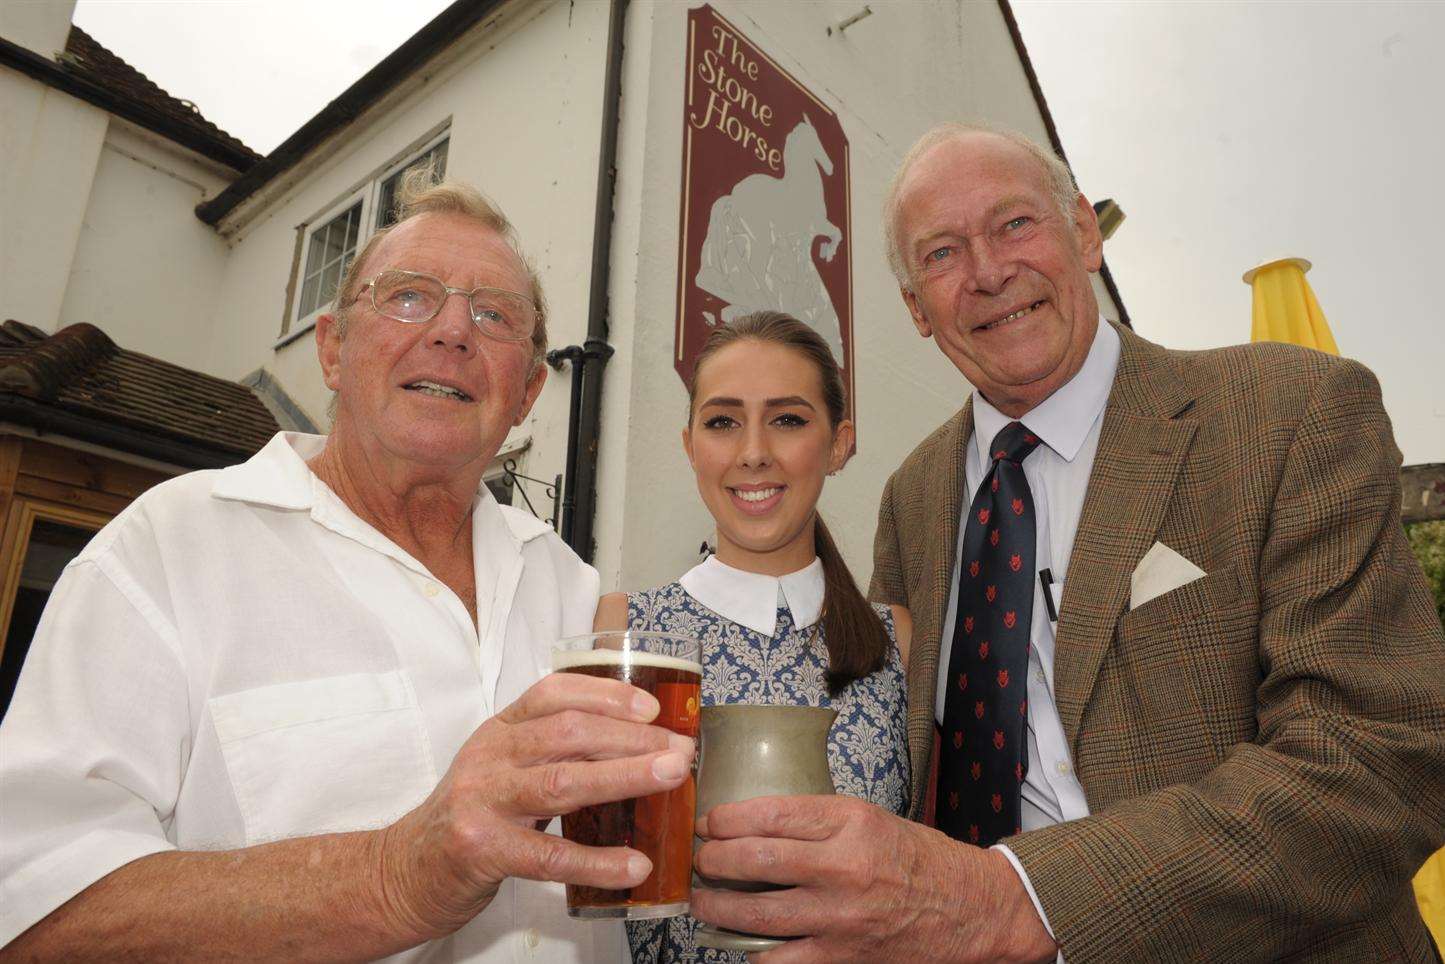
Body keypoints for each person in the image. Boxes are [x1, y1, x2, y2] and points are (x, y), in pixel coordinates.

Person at [689, 124, 1445, 962]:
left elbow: (1374, 757)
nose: (986, 273)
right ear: (914, 308)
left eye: (1014, 224)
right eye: (940, 254)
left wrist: (1015, 901)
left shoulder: (1286, 412)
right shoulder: (913, 497)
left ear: (1083, 232)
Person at [0, 175, 695, 961]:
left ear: (528, 390)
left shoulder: (566, 582)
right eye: (408, 296)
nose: (453, 332)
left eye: (494, 314)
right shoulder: (168, 548)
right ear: (332, 348)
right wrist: (395, 878)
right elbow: (34, 913)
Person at [593, 312, 913, 963]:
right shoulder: (624, 631)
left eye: (788, 419)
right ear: (690, 445)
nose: (752, 451)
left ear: (838, 442)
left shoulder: (895, 638)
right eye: (722, 421)